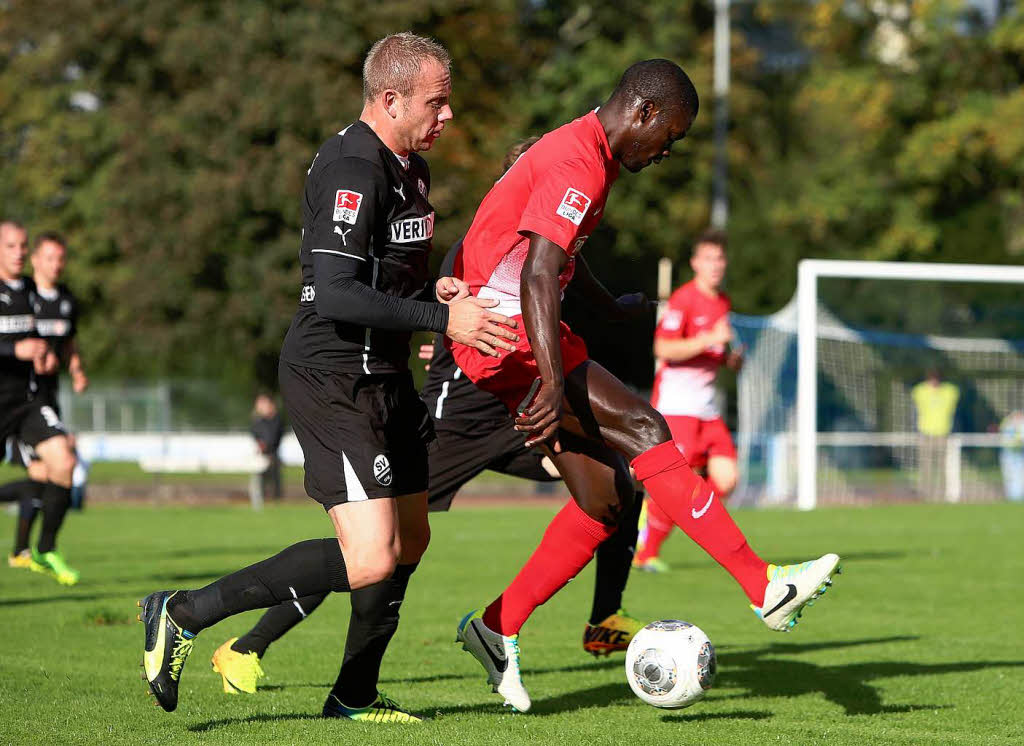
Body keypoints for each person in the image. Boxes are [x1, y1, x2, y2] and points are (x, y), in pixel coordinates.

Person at [137, 33, 518, 720]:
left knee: (411, 541)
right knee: (371, 557)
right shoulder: (351, 167)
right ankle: (181, 612)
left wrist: (442, 294)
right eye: (438, 102)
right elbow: (337, 294)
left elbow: (390, 277)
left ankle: (353, 695)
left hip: (386, 377)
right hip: (331, 376)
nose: (449, 116)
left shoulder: (411, 168)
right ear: (391, 99)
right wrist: (440, 322)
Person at [448, 59, 841, 712]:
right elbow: (539, 275)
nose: (668, 152)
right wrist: (550, 381)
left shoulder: (589, 154)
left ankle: (495, 625)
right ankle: (763, 584)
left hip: (518, 325)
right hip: (497, 333)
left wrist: (605, 309)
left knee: (605, 499)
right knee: (644, 427)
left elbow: (555, 256)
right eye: (672, 137)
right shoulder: (578, 160)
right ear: (644, 112)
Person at [207, 145, 648, 698]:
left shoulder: (551, 245)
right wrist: (439, 329)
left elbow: (563, 294)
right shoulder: (479, 247)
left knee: (619, 484)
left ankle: (604, 619)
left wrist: (612, 312)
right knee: (373, 550)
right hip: (455, 421)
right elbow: (443, 314)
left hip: (514, 417)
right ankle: (248, 645)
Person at [634, 229, 743, 573]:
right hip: (678, 407)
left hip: (707, 410)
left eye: (720, 259)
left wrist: (728, 359)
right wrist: (709, 338)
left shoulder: (722, 302)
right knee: (678, 488)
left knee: (725, 480)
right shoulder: (683, 300)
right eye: (709, 258)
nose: (716, 265)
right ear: (696, 263)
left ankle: (663, 516)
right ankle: (646, 551)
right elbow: (663, 348)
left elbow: (713, 350)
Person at [0, 222, 80, 585]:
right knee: (36, 478)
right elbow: (15, 343)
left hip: (28, 401)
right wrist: (13, 350)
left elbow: (40, 339)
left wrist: (43, 356)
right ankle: (20, 550)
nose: (17, 252)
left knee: (63, 461)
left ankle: (45, 547)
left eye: (22, 246)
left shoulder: (34, 292)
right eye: (10, 246)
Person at [911, 369, 959, 500]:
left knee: (942, 467)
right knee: (925, 467)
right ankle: (925, 493)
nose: (934, 382)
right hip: (925, 434)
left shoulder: (950, 391)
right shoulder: (920, 391)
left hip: (943, 434)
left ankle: (942, 494)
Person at [250, 393, 284, 500]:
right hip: (262, 455)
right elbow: (255, 434)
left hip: (272, 454)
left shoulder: (275, 420)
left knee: (274, 483)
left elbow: (273, 437)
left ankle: (276, 499)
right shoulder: (258, 421)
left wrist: (266, 445)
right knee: (261, 482)